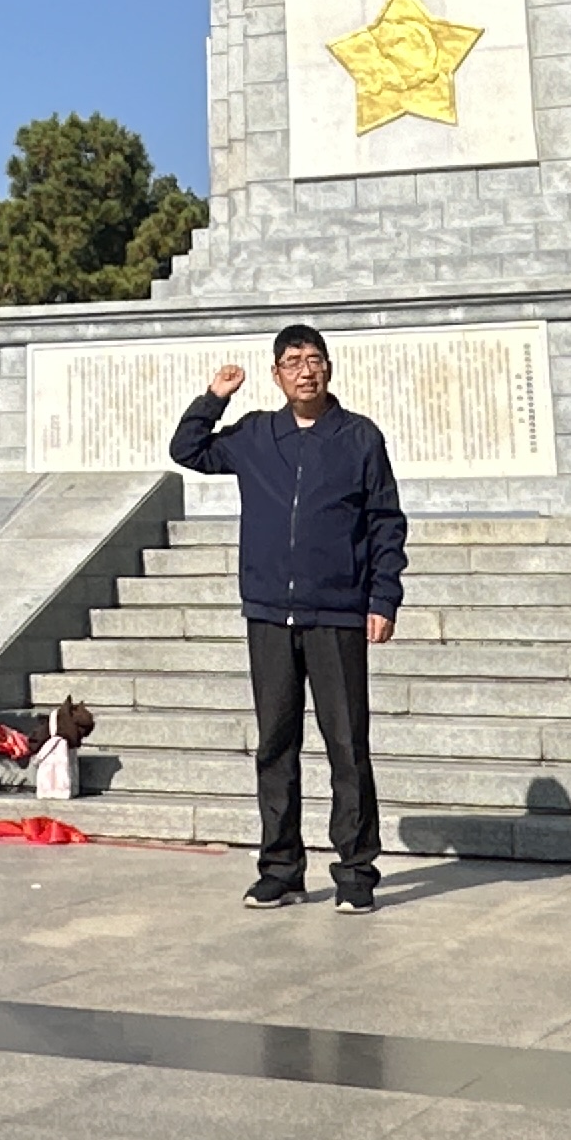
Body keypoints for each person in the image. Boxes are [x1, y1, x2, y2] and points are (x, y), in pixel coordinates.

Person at [170, 327, 407, 913]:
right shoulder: (256, 435)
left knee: (347, 746)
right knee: (276, 745)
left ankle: (356, 872)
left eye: (315, 359)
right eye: (293, 361)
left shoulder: (359, 437)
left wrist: (382, 598)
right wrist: (213, 398)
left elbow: (385, 520)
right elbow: (187, 450)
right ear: (276, 374)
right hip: (270, 613)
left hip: (337, 614)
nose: (306, 370)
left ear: (329, 369)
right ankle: (280, 870)